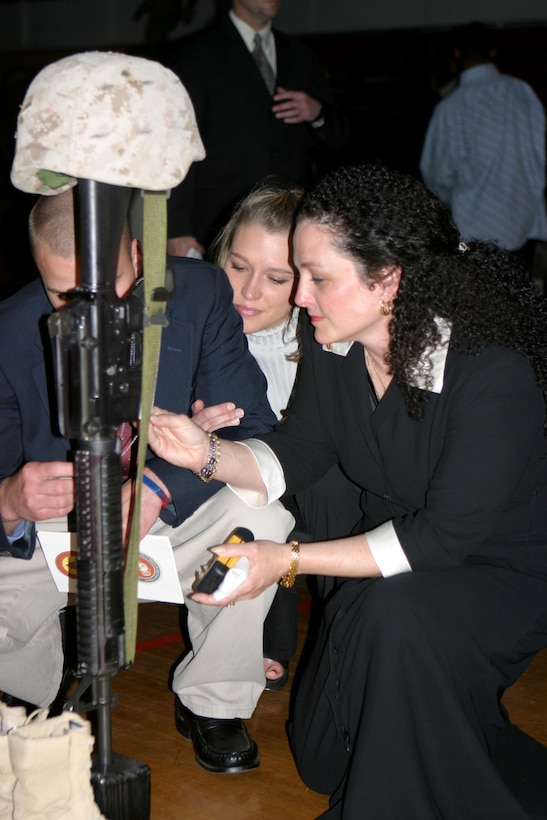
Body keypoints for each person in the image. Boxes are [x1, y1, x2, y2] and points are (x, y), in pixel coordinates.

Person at [148, 163, 547, 819]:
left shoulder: (488, 368)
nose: (300, 297)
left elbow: (442, 537)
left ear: (387, 280)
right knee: (322, 758)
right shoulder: (336, 346)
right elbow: (300, 450)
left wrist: (288, 560)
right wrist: (207, 454)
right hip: (395, 563)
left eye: (318, 279)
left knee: (398, 618)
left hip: (499, 570)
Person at [0, 187, 295, 774]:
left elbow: (258, 431)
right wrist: (9, 499)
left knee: (261, 518)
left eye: (102, 289)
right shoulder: (10, 329)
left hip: (172, 517)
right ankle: (25, 699)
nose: (86, 313)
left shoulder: (202, 294)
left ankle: (213, 703)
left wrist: (166, 479)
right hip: (56, 532)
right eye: (63, 294)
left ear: (139, 254)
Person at [206, 176, 363, 690]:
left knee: (327, 480)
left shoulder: (329, 334)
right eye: (237, 267)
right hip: (236, 490)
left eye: (276, 278)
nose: (249, 292)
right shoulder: (197, 328)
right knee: (246, 492)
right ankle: (259, 635)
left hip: (318, 489)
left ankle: (351, 624)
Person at [164, 0, 349, 257]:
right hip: (218, 225)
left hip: (289, 222)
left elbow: (338, 142)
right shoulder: (196, 54)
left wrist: (317, 113)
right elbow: (177, 144)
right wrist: (176, 229)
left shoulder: (300, 56)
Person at [420, 21, 547, 263]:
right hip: (524, 220)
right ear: (492, 52)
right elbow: (538, 153)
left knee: (481, 298)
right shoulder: (522, 92)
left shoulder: (450, 107)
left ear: (457, 54)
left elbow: (436, 175)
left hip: (473, 225)